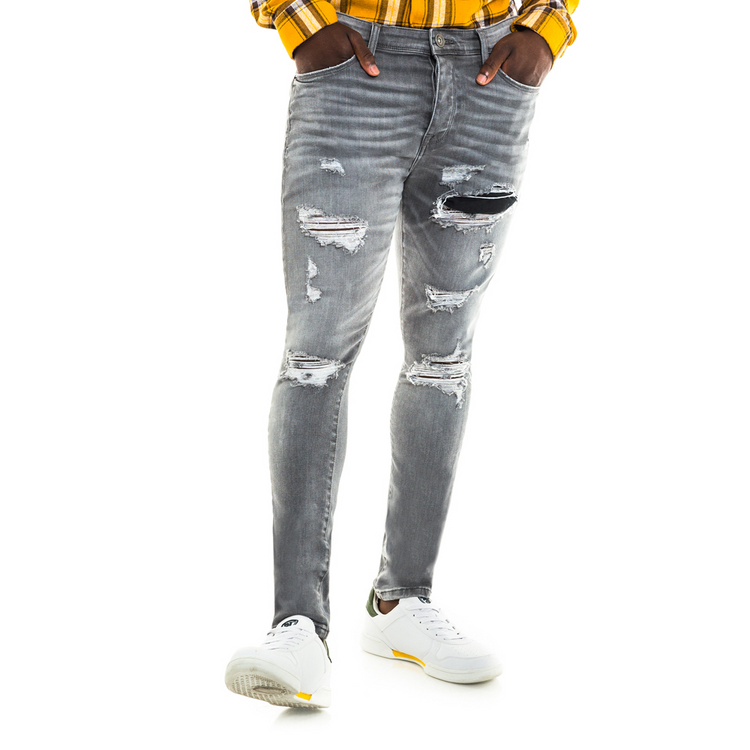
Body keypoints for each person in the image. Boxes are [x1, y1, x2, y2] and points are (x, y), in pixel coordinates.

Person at [225, 0, 578, 709]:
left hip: (490, 77)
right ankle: (298, 626)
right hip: (352, 75)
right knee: (316, 357)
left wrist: (546, 29)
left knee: (443, 358)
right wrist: (303, 25)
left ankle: (403, 601)